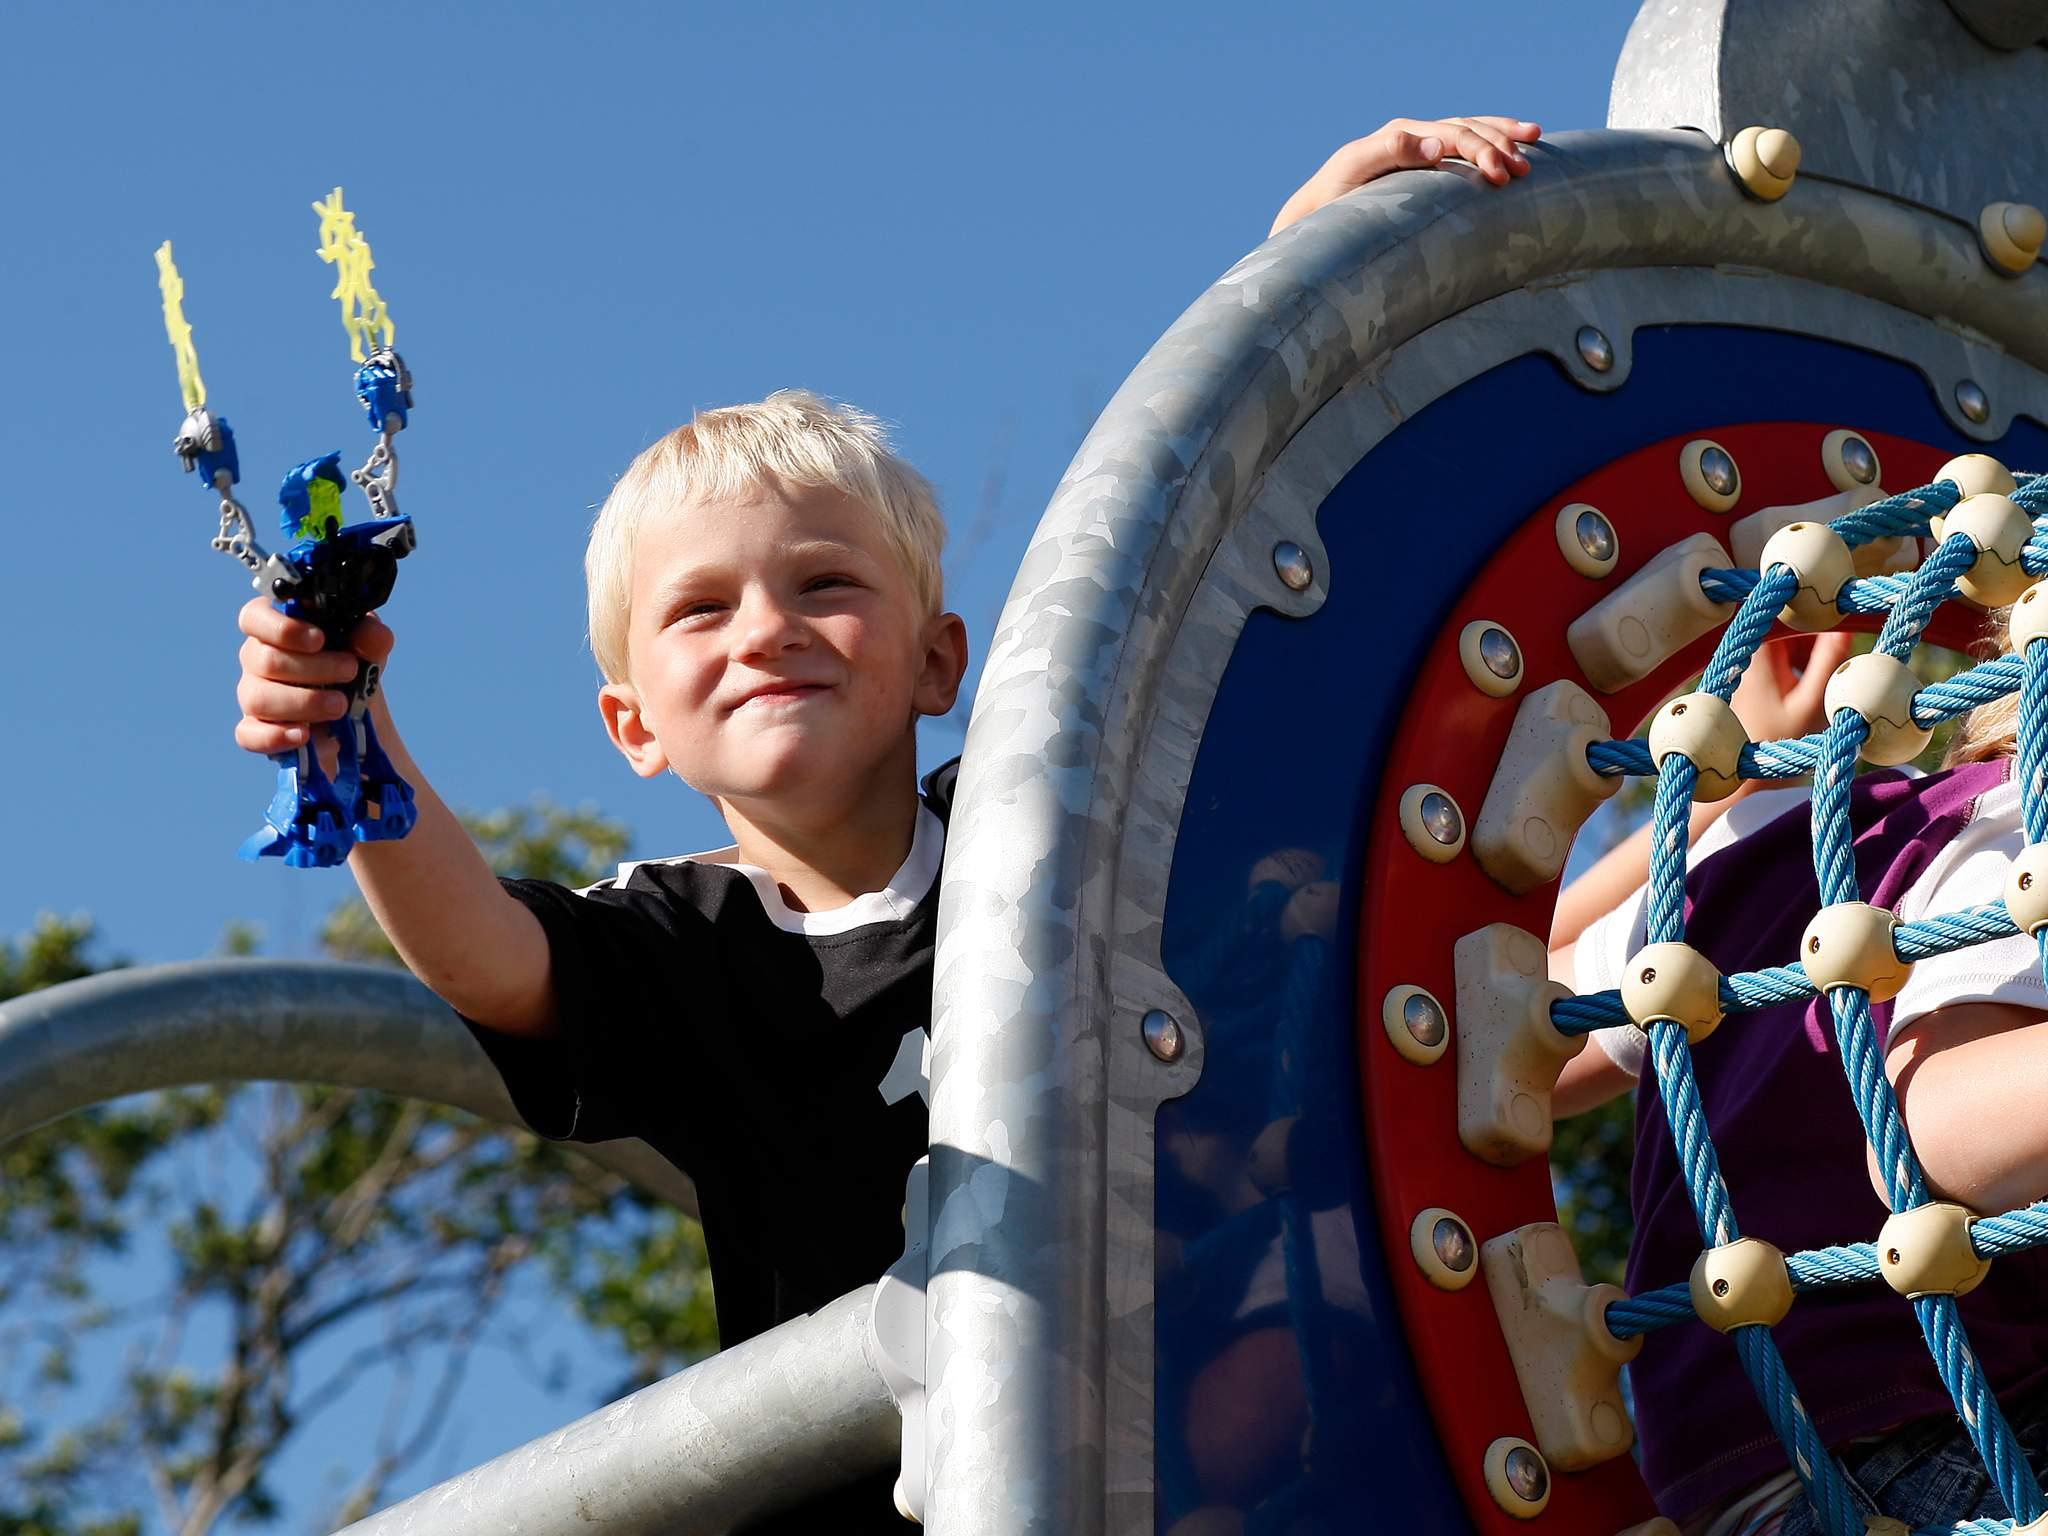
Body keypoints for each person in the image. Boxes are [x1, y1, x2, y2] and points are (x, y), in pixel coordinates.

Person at [231, 118, 1541, 1532]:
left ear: (937, 661)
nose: (766, 630)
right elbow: (486, 955)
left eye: (824, 584)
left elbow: (1214, 596)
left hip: (1205, 1452)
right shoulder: (685, 939)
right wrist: (347, 734)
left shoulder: (1054, 828)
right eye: (700, 610)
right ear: (634, 727)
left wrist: (1303, 270)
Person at [1549, 631, 2048, 1536]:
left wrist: (1726, 788)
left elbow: (1515, 1030)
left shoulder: (1776, 843)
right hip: (1940, 1448)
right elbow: (1936, 1127)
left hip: (1743, 1475)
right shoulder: (2023, 835)